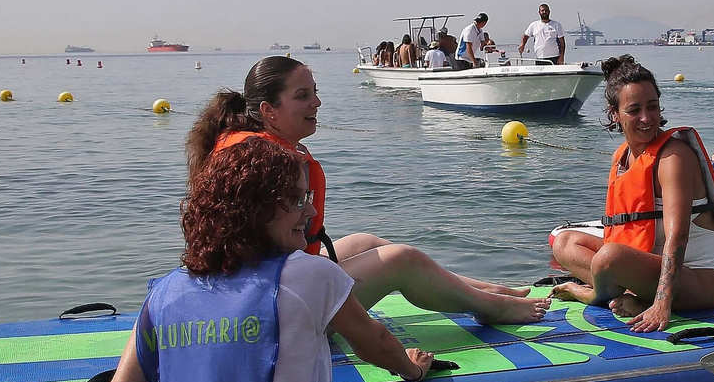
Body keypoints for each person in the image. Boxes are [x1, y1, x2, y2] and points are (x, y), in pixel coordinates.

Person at [39, 139, 436, 382]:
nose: (311, 211)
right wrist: (412, 370)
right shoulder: (312, 276)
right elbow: (374, 343)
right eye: (297, 200)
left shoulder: (164, 294)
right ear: (255, 208)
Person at [185, 56, 548, 323]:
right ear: (269, 110)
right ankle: (492, 307)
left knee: (364, 242)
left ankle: (482, 290)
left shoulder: (244, 149)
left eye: (315, 92)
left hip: (262, 289)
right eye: (302, 96)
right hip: (270, 312)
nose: (316, 103)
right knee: (402, 259)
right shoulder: (266, 163)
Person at [549, 56, 714, 332]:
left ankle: (592, 294)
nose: (646, 118)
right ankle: (625, 293)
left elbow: (677, 237)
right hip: (647, 268)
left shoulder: (674, 157)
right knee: (564, 241)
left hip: (701, 278)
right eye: (634, 110)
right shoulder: (621, 157)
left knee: (610, 257)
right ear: (615, 114)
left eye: (652, 106)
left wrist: (662, 303)